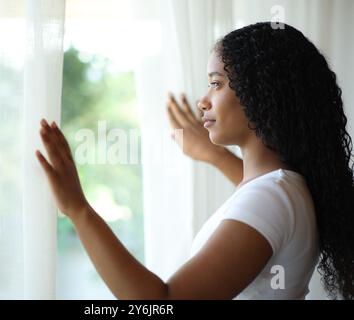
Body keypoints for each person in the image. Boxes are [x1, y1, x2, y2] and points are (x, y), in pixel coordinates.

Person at [36, 22, 354, 300]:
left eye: (216, 84)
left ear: (260, 91)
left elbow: (164, 300)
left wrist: (79, 210)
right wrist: (214, 155)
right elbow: (257, 194)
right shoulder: (286, 187)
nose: (203, 100)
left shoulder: (274, 195)